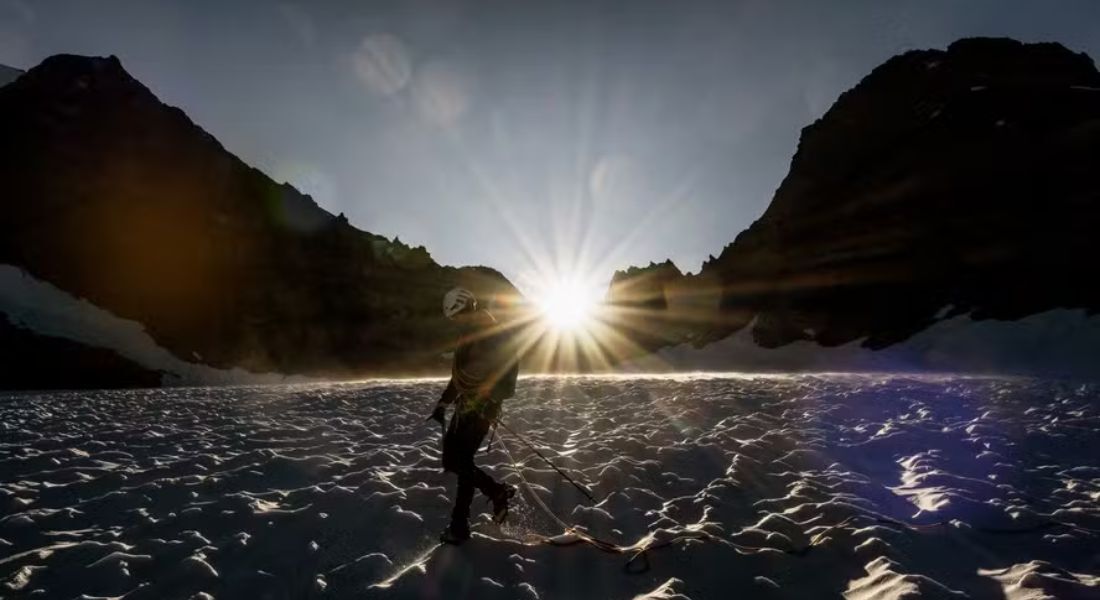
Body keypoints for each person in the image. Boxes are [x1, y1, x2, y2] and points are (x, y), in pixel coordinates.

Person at [427, 287, 520, 544]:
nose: (456, 321)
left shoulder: (492, 332)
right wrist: (442, 404)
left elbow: (508, 368)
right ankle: (496, 492)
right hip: (467, 406)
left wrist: (492, 400)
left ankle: (460, 525)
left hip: (481, 408)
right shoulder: (469, 334)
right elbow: (458, 377)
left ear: (464, 308)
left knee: (461, 460)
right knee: (453, 460)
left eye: (457, 315)